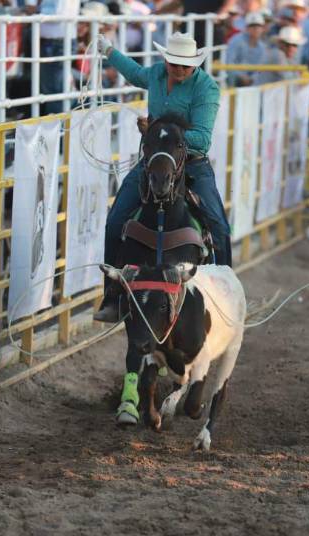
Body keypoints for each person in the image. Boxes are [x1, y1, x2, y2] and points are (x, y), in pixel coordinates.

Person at [92, 32, 229, 323]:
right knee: (116, 220)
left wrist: (157, 130)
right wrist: (110, 52)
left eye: (184, 65)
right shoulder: (156, 73)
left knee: (218, 224)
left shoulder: (206, 89)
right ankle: (113, 295)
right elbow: (136, 73)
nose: (178, 70)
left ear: (194, 65)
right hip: (153, 163)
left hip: (191, 164)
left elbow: (202, 140)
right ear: (166, 60)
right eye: (174, 64)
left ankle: (228, 294)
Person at [225, 11, 272, 86]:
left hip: (252, 82)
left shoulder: (262, 47)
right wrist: (240, 76)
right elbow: (228, 62)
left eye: (258, 26)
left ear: (262, 29)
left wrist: (251, 78)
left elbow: (260, 69)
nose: (256, 28)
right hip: (234, 80)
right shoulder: (236, 40)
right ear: (247, 28)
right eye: (252, 26)